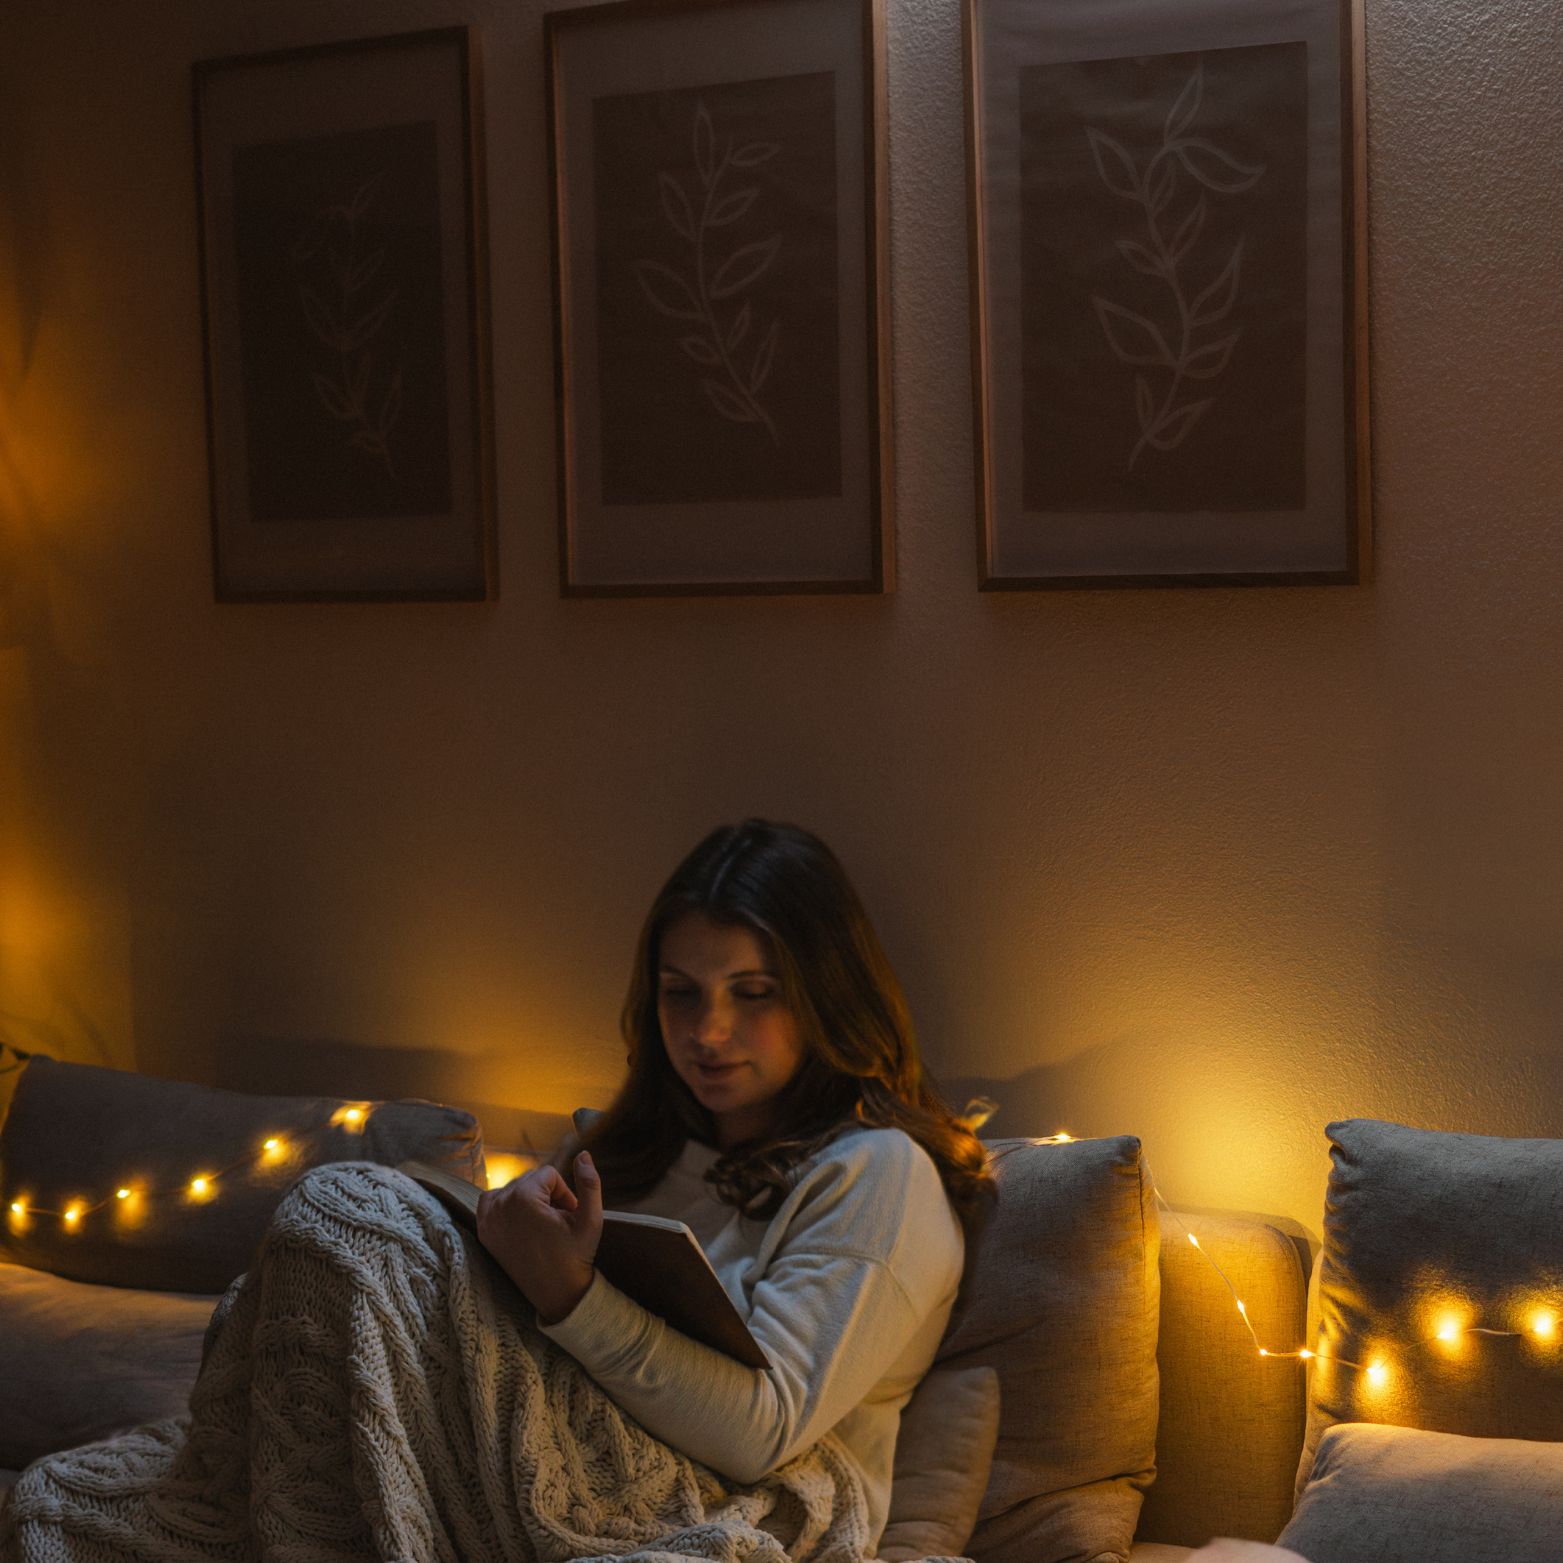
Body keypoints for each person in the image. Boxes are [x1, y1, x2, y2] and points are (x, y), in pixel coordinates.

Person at [474, 817, 994, 1550]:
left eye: (752, 992)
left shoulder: (879, 1171)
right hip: (533, 1451)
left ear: (826, 997)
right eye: (679, 992)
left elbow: (763, 1431)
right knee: (358, 1218)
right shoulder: (611, 1156)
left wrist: (572, 1295)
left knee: (346, 1214)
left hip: (743, 1511)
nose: (707, 1030)